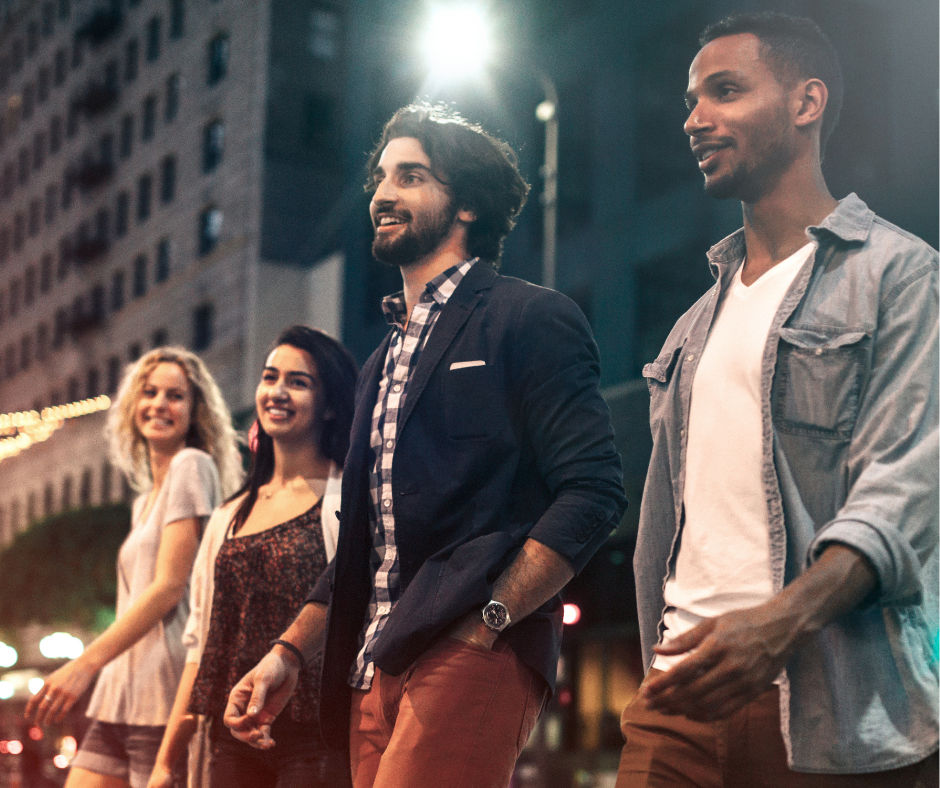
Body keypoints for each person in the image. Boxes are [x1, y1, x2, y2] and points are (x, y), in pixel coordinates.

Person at [223, 103, 627, 787]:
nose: (383, 194)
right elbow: (362, 545)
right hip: (367, 666)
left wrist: (492, 619)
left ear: (466, 203)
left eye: (411, 177)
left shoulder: (529, 318)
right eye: (381, 178)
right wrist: (286, 655)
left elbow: (594, 490)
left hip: (467, 652)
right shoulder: (381, 362)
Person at [619, 12, 938, 786]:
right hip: (678, 699)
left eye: (725, 91)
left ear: (806, 103)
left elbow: (905, 487)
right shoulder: (691, 328)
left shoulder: (899, 274)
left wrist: (779, 624)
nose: (695, 119)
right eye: (692, 99)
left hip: (838, 706)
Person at [147, 326, 357, 788]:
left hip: (318, 736)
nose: (277, 392)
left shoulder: (348, 503)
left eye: (299, 382)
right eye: (270, 377)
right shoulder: (228, 516)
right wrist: (166, 761)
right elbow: (201, 645)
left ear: (332, 405)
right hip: (234, 733)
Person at [25, 347, 242, 788]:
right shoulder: (144, 499)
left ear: (195, 412)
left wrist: (83, 664)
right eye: (150, 392)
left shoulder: (191, 465)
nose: (159, 403)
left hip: (161, 695)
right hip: (117, 695)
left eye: (175, 396)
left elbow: (168, 588)